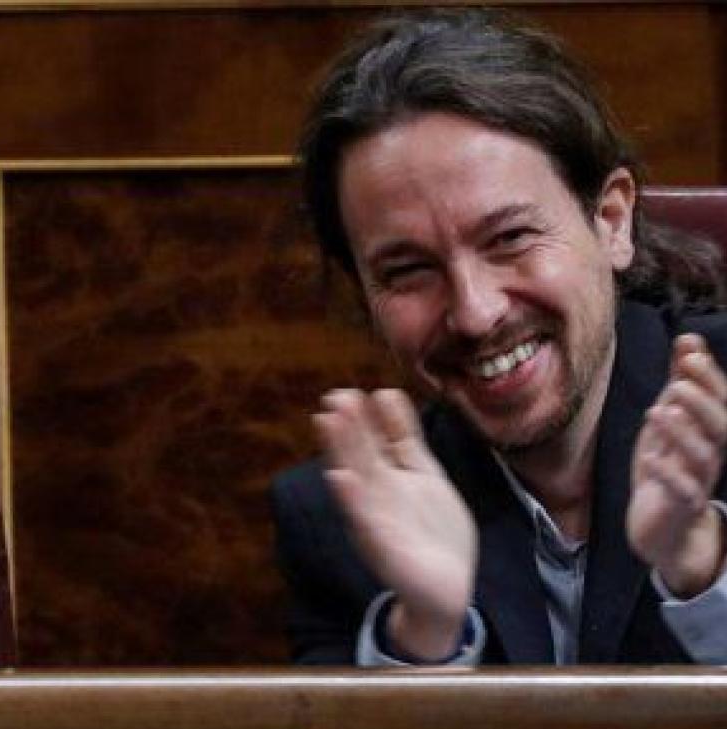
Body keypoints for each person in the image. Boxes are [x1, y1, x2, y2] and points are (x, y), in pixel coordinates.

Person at [271, 9, 727, 666]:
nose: (475, 313)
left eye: (509, 238)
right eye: (409, 271)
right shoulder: (337, 520)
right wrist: (424, 632)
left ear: (611, 221)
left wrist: (703, 565)